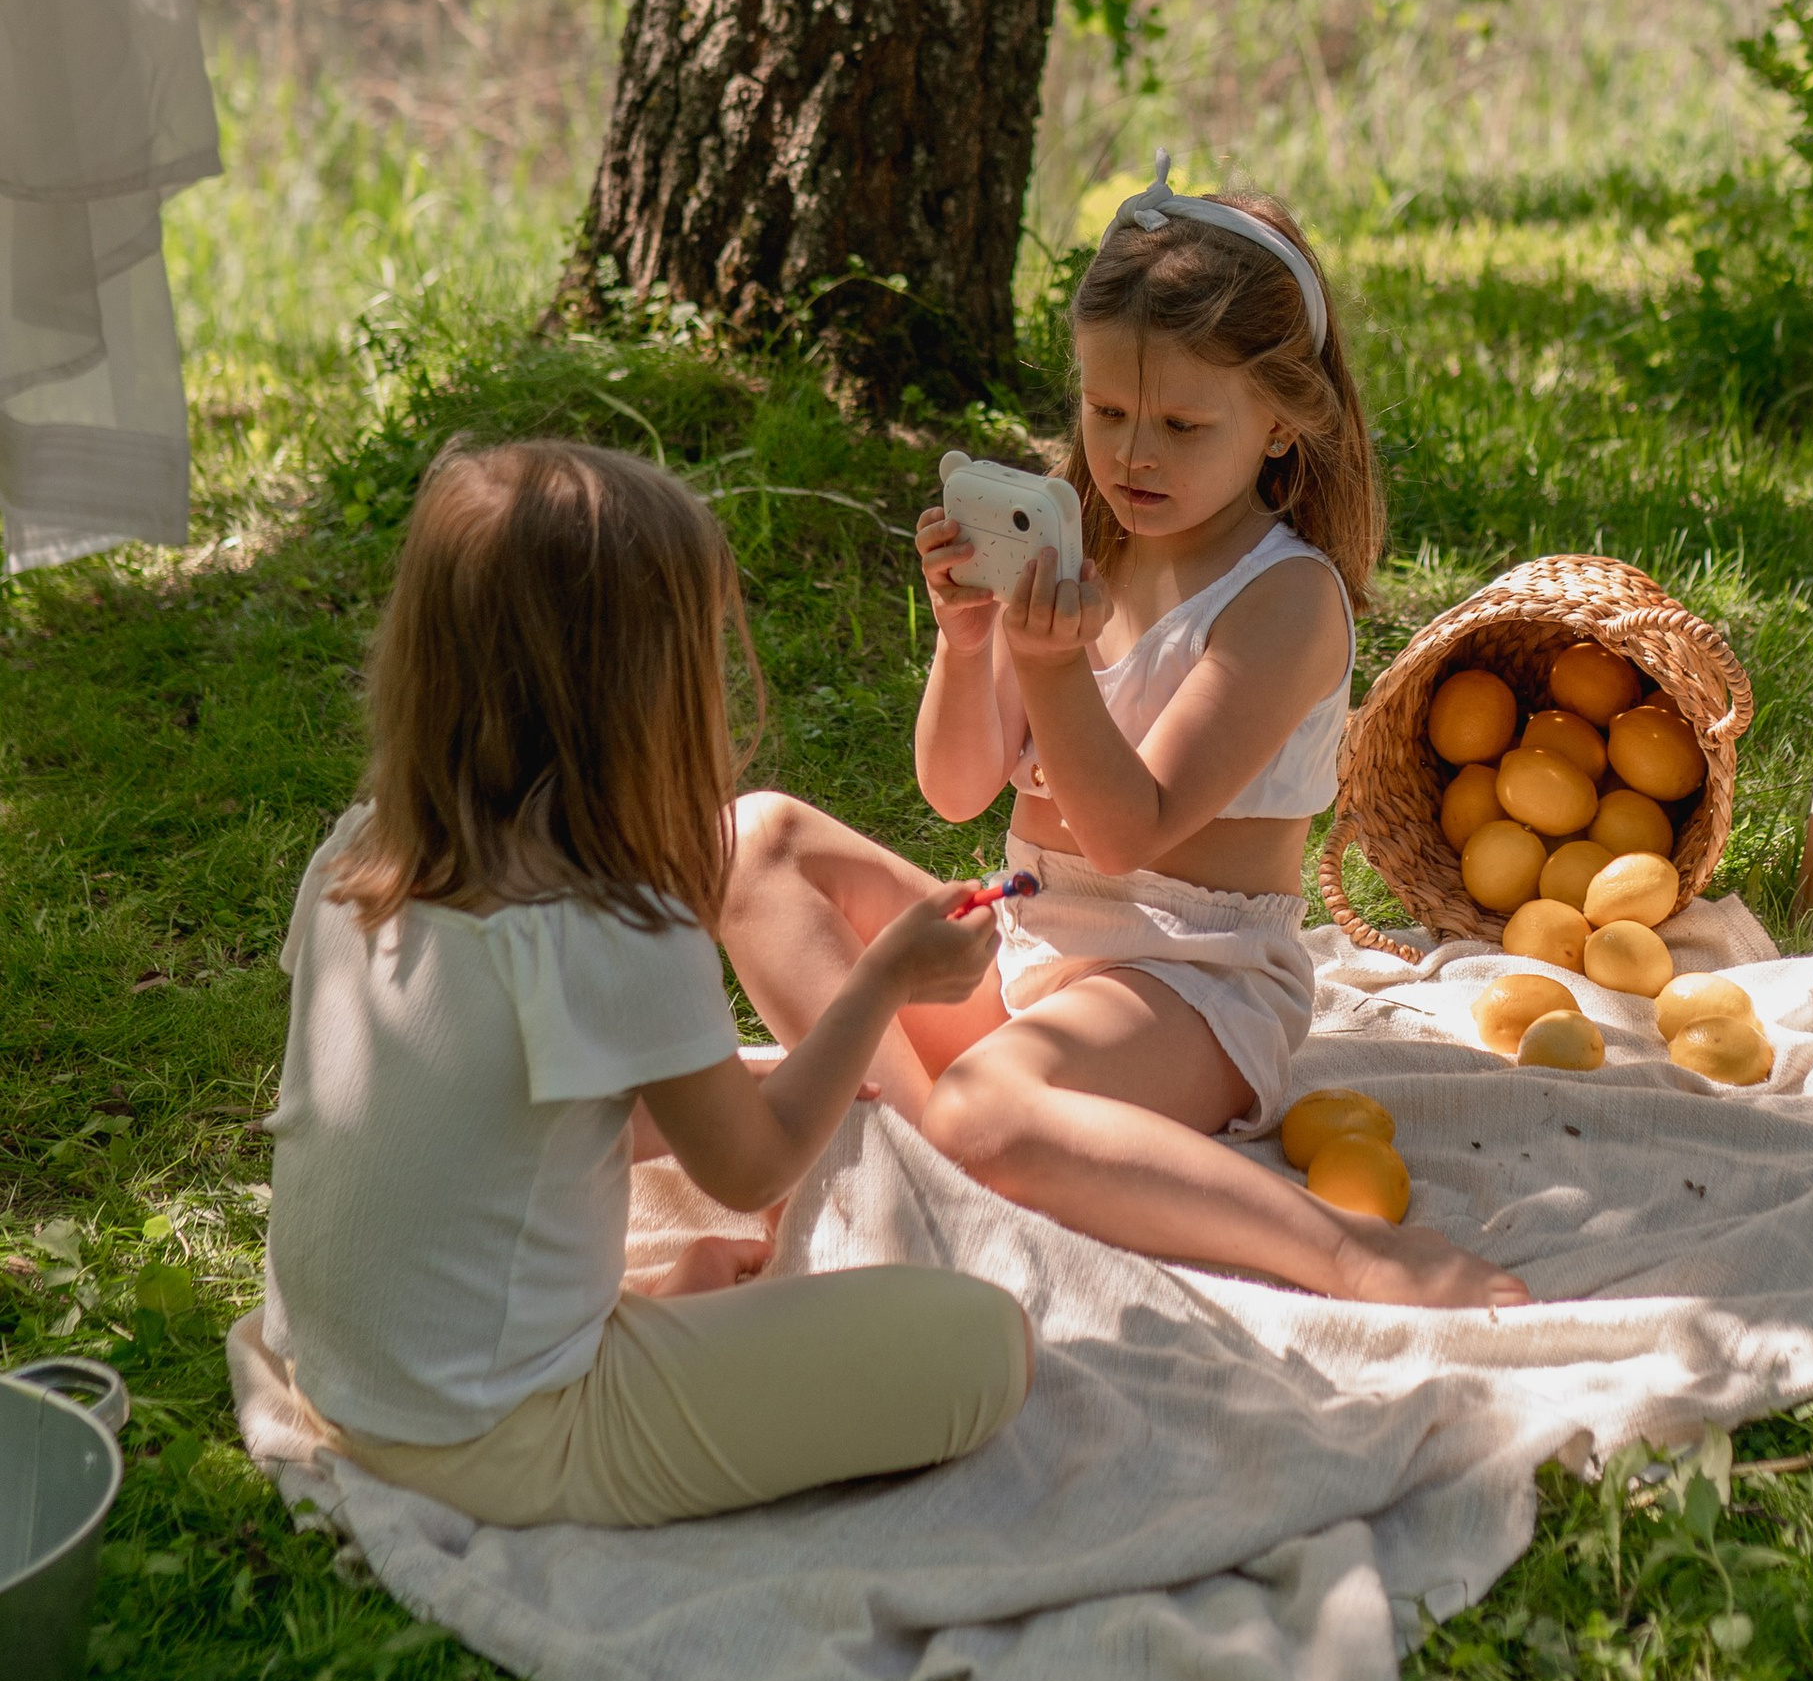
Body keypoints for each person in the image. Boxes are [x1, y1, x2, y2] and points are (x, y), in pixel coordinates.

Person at [722, 171, 1528, 1311]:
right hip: (1026, 948)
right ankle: (916, 1157)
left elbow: (1125, 826)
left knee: (987, 1110)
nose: (1133, 454)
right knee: (751, 842)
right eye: (1105, 413)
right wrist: (967, 644)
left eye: (1183, 425)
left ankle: (1345, 1253)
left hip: (1185, 977)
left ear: (1282, 422)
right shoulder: (1079, 539)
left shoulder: (1282, 600)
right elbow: (956, 790)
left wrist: (1050, 668)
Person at [261, 439, 1031, 1530]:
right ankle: (631, 1347)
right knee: (982, 1344)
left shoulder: (360, 854)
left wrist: (776, 1075)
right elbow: (751, 1160)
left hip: (338, 1376)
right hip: (503, 1434)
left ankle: (646, 1320)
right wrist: (883, 976)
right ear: (635, 694)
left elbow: (489, 1114)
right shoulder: (616, 921)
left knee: (776, 1124)